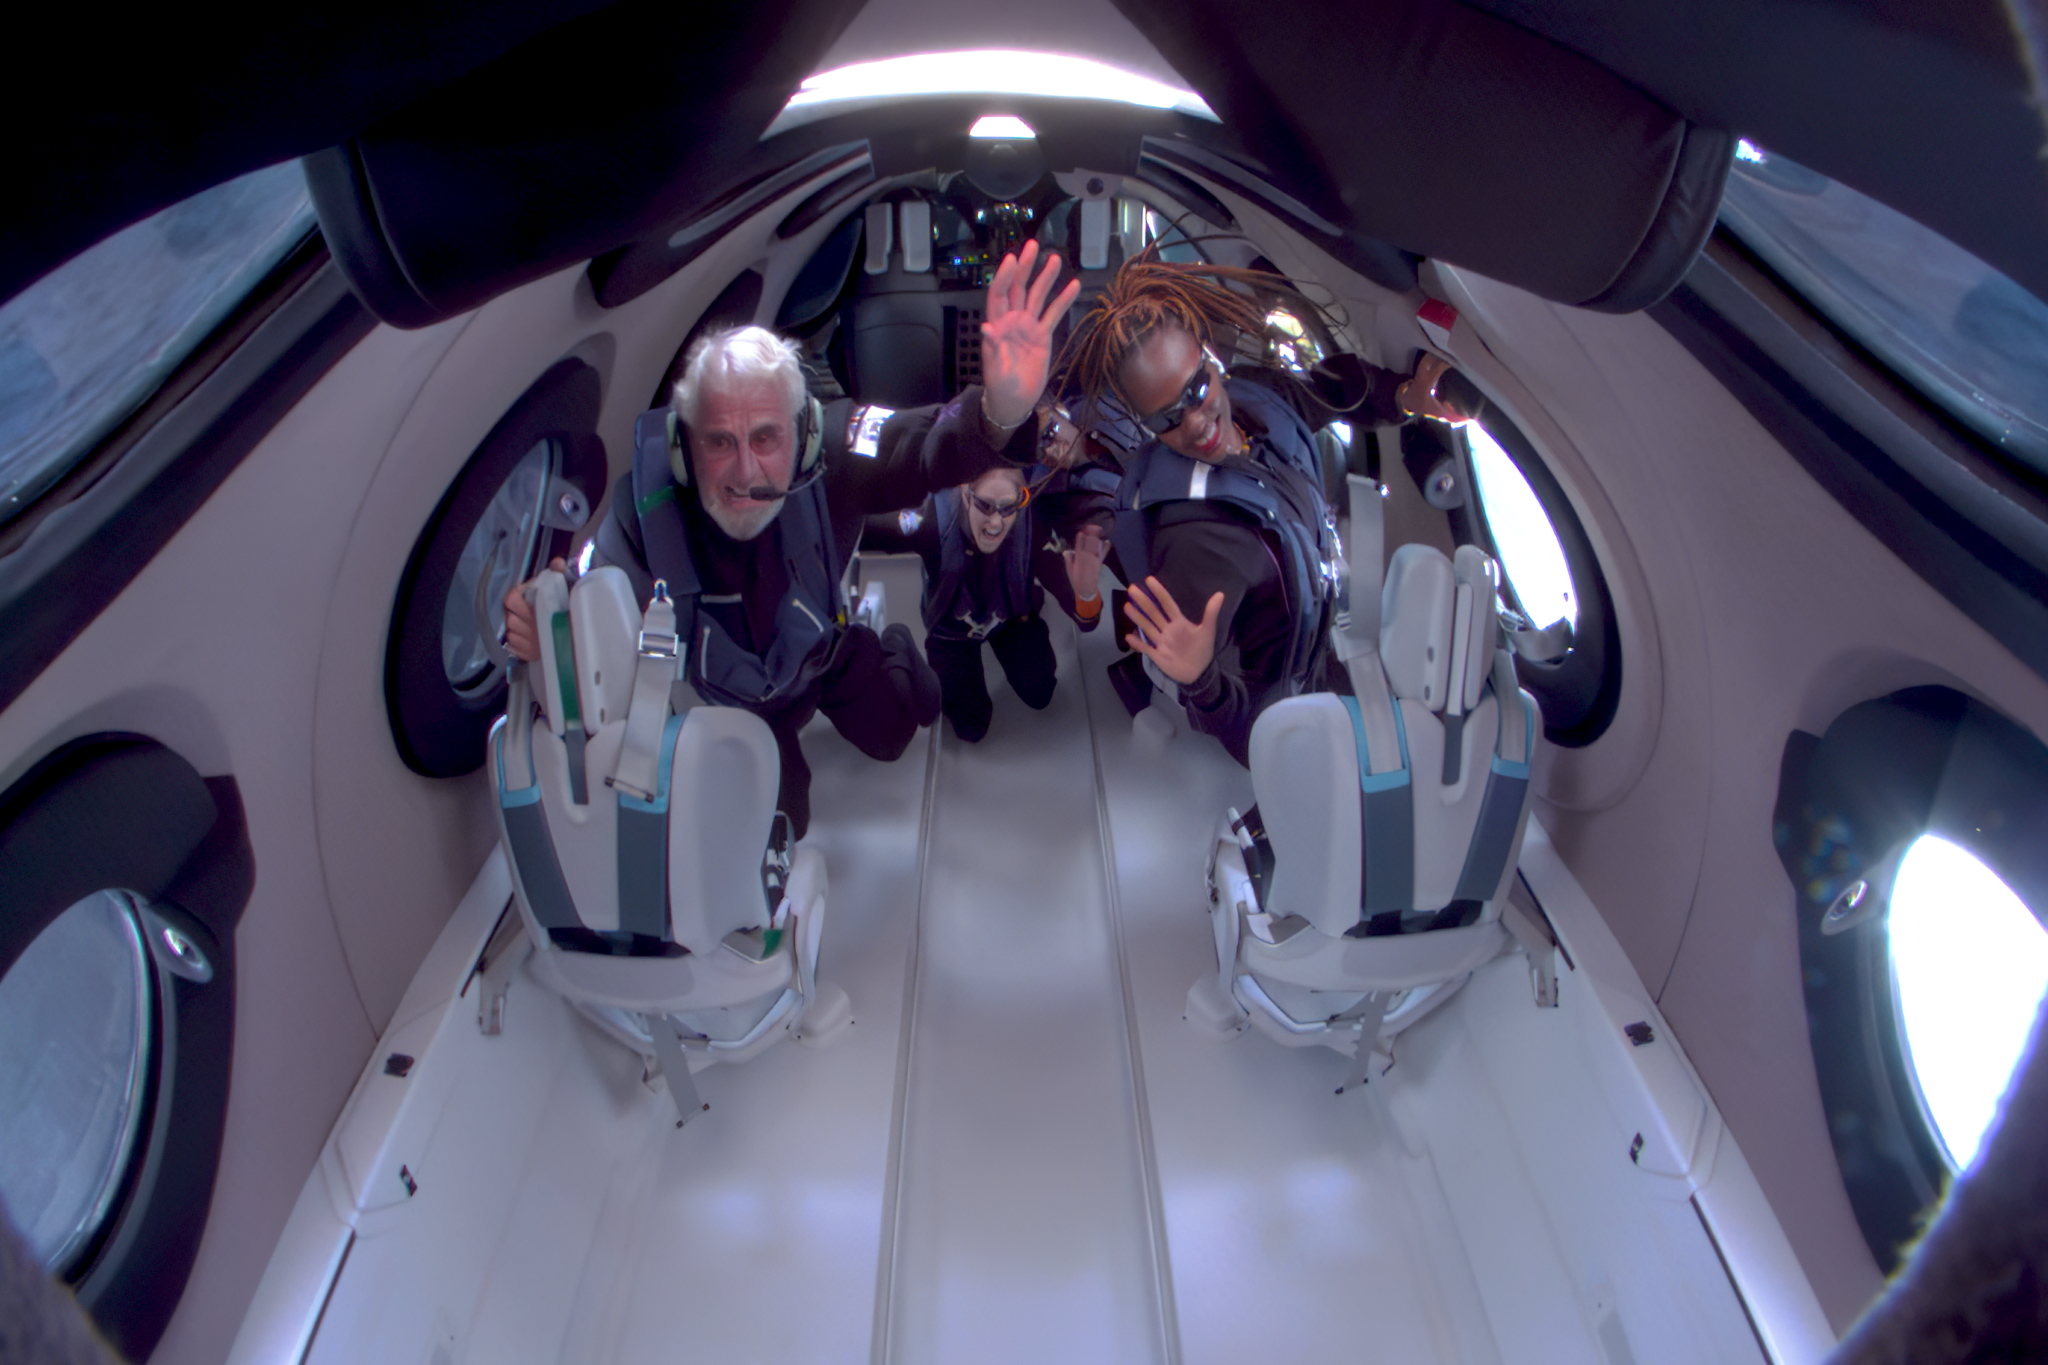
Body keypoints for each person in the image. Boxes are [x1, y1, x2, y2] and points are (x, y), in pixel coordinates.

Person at [506, 242, 1080, 837]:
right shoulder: (641, 505)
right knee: (782, 825)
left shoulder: (834, 447)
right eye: (718, 442)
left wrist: (1002, 411)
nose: (746, 472)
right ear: (682, 447)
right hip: (740, 692)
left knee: (896, 732)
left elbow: (926, 444)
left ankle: (894, 644)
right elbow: (584, 588)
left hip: (824, 649)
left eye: (765, 438)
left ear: (803, 436)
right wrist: (541, 617)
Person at [1056, 254, 1476, 766]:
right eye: (1167, 419)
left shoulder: (1261, 395)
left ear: (1212, 360)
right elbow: (1244, 730)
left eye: (1198, 388)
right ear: (1148, 427)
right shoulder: (1192, 542)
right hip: (1267, 699)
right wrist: (1200, 681)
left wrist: (1405, 395)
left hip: (1313, 638)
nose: (1196, 422)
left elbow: (1326, 391)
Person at [861, 455, 1109, 742]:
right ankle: (907, 645)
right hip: (951, 629)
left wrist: (1086, 592)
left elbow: (1087, 621)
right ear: (965, 495)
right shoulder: (928, 519)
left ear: (1021, 500)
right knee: (970, 728)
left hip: (1012, 618)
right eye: (985, 505)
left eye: (1008, 508)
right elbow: (866, 528)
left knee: (1041, 693)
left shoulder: (1033, 524)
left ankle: (1031, 604)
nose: (995, 522)